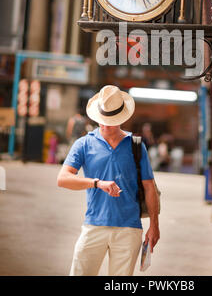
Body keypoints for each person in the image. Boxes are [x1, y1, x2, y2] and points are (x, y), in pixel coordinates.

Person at [57, 85, 160, 276]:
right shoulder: (84, 144)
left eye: (110, 121)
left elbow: (149, 187)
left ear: (121, 119)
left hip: (129, 229)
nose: (104, 125)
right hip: (94, 225)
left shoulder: (136, 146)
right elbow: (63, 179)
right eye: (102, 120)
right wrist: (97, 183)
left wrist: (154, 225)